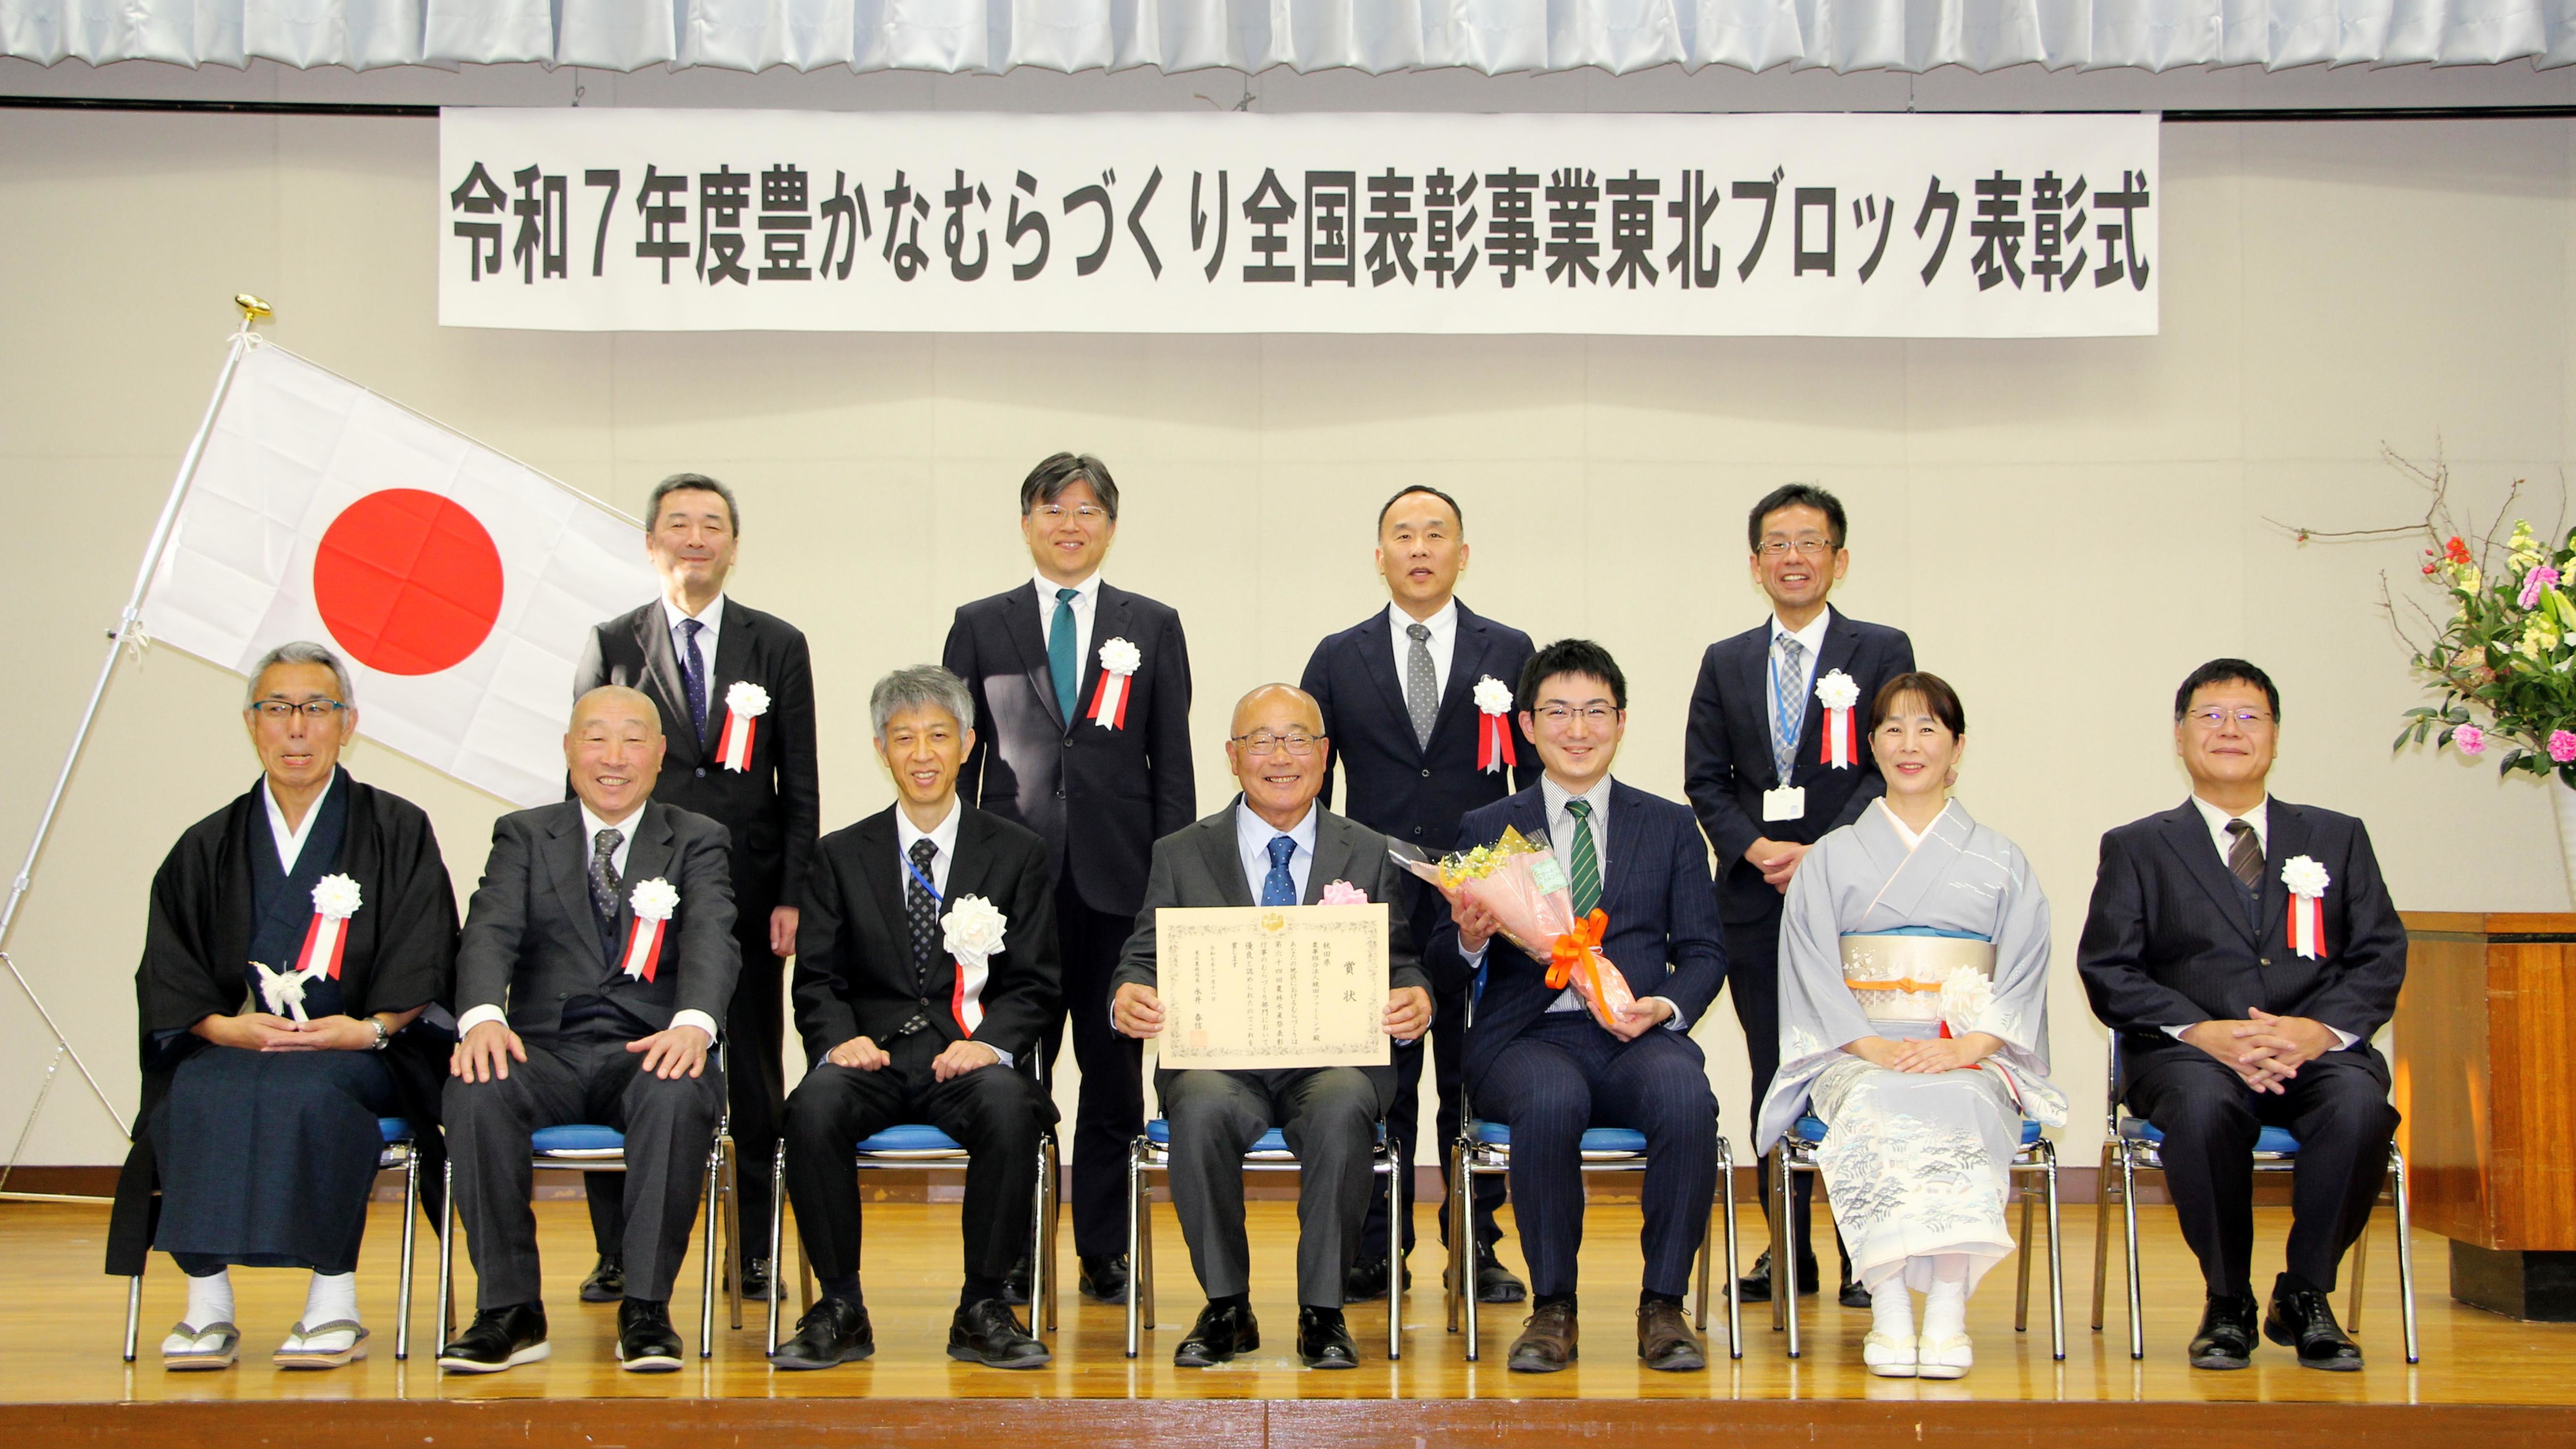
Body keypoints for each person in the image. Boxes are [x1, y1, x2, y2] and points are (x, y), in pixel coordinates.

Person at [111, 642, 457, 1372]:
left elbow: (426, 947)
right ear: (252, 724)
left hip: (360, 1050)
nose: (297, 727)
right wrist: (222, 1027)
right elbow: (169, 968)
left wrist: (367, 1028)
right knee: (192, 1094)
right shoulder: (208, 845)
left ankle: (333, 1302)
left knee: (315, 1096)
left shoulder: (397, 829)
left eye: (316, 709)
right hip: (239, 1044)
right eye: (278, 709)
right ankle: (207, 1305)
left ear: (347, 722)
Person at [2078, 658, 2406, 1372]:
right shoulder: (2138, 846)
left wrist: (2317, 1032)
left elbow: (2380, 954)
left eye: (2249, 716)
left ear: (2276, 737)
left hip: (2314, 1051)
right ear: (2180, 735)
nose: (2230, 729)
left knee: (2360, 1106)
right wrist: (2202, 1031)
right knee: (2200, 1107)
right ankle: (2228, 1299)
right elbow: (2109, 969)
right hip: (2189, 1055)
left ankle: (2307, 1292)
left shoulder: (2338, 835)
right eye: (2211, 715)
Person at [1109, 684, 1433, 1369]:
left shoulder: (1370, 851)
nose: (1279, 756)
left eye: (1297, 739)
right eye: (1261, 740)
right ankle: (1226, 1306)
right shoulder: (1181, 852)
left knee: (1348, 1105)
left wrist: (1413, 1000)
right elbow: (1142, 956)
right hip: (1221, 1063)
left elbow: (1400, 961)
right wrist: (1128, 996)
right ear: (1232, 756)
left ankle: (1323, 1311)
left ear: (1324, 755)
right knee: (1196, 1108)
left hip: (1330, 1065)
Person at [1755, 673, 2066, 1380]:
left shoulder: (2002, 861)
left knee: (1961, 1102)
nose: (1910, 743)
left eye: (1929, 728)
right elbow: (1807, 968)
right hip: (1858, 1049)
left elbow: (2023, 970)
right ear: (1872, 745)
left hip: (1967, 1052)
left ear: (1957, 748)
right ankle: (1890, 1307)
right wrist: (1872, 1046)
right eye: (1893, 728)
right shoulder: (1830, 857)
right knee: (1872, 1101)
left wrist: (1975, 1046)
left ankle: (1948, 1309)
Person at [1434, 639, 1727, 1374]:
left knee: (1687, 1097)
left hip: (1634, 1035)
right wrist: (1470, 941)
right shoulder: (1488, 828)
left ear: (1621, 722)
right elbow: (1442, 958)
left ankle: (1663, 1305)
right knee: (1551, 1099)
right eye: (1559, 711)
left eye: (1596, 711)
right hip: (1529, 1036)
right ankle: (1553, 1307)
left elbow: (1704, 953)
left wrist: (1660, 1006)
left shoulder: (1668, 825)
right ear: (1527, 726)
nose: (1578, 728)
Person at [945, 452, 1194, 1304]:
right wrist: (959, 884)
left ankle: (1104, 1246)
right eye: (1053, 509)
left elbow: (1174, 770)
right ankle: (1010, 1252)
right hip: (1006, 896)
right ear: (1026, 524)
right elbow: (956, 766)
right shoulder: (979, 624)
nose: (1070, 524)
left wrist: (1173, 890)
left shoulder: (1153, 624)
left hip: (1118, 890)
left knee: (1114, 1073)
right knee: (1011, 1074)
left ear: (1111, 528)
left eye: (1088, 510)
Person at [437, 685, 737, 1375]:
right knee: (476, 1087)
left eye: (633, 739)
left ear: (659, 756)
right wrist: (482, 1016)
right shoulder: (523, 834)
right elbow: (488, 932)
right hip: (543, 1049)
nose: (613, 757)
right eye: (595, 738)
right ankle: (510, 1310)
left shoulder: (695, 840)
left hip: (650, 1049)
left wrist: (694, 1025)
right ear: (569, 749)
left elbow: (714, 938)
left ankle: (645, 1307)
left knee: (676, 1091)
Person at [769, 666, 1060, 1371]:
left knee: (1009, 1107)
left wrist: (990, 1045)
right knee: (811, 1109)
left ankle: (983, 1307)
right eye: (904, 739)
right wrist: (839, 1041)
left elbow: (1035, 981)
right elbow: (817, 980)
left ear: (966, 744)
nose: (922, 753)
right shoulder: (842, 854)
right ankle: (841, 1307)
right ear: (881, 749)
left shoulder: (1017, 852)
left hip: (967, 1059)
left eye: (938, 735)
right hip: (871, 1057)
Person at [572, 472, 818, 1304]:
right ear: (652, 543)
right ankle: (617, 1252)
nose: (696, 537)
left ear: (734, 545)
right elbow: (582, 781)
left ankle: (754, 1248)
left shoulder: (777, 643)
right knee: (621, 1059)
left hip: (745, 902)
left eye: (713, 524)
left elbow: (802, 786)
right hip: (636, 902)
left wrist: (792, 896)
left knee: (751, 1073)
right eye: (678, 524)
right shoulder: (612, 641)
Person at [1297, 484, 1535, 1307]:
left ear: (1463, 554)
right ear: (1381, 555)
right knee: (1382, 1082)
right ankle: (1376, 1247)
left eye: (1437, 534)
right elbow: (1309, 784)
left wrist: (1525, 894)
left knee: (1473, 1080)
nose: (1421, 548)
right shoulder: (1337, 655)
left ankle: (1478, 1249)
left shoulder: (1510, 649)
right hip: (1372, 897)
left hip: (1483, 902)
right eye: (1404, 534)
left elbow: (1531, 788)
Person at [1683, 483, 1914, 1307]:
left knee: (1856, 1066)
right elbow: (1704, 779)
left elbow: (1890, 763)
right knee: (1775, 1069)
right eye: (1777, 544)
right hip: (1752, 894)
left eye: (1809, 542)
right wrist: (1757, 847)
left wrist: (1823, 854)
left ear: (1838, 559)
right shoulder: (1726, 660)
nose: (1793, 557)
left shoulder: (1883, 649)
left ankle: (1863, 1249)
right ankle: (1790, 1249)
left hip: (1852, 895)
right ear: (1755, 565)